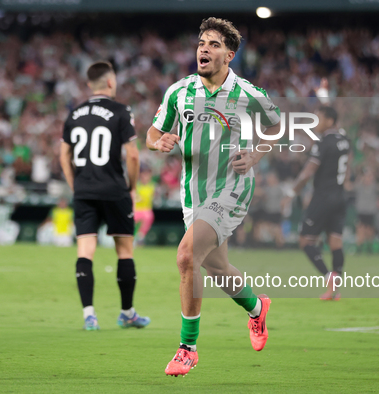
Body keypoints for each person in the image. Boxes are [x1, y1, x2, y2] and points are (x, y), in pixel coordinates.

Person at [146, 17, 281, 377]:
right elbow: (153, 131)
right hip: (194, 194)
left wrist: (255, 154)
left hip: (232, 187)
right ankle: (257, 308)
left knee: (186, 256)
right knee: (217, 269)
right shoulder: (179, 91)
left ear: (230, 55)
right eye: (201, 42)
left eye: (214, 44)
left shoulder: (248, 93)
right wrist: (158, 141)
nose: (204, 48)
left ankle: (187, 348)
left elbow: (276, 124)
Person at [60, 61, 150, 331]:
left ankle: (89, 314)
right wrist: (132, 187)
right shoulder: (121, 111)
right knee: (124, 251)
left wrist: (74, 184)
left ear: (90, 84)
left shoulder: (74, 113)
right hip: (113, 190)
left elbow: (63, 154)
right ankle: (127, 313)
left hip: (84, 190)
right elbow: (132, 154)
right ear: (111, 82)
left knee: (85, 251)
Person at [293, 106, 350, 301]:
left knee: (305, 240)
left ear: (330, 121)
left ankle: (329, 277)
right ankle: (336, 289)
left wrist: (292, 192)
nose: (315, 121)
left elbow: (308, 172)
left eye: (319, 118)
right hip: (340, 196)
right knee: (335, 241)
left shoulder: (323, 143)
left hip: (323, 196)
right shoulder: (344, 140)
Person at [134, 166, 156, 245]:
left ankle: (140, 237)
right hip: (136, 209)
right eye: (144, 175)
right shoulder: (137, 186)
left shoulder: (152, 186)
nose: (146, 177)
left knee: (148, 217)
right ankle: (131, 237)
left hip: (146, 209)